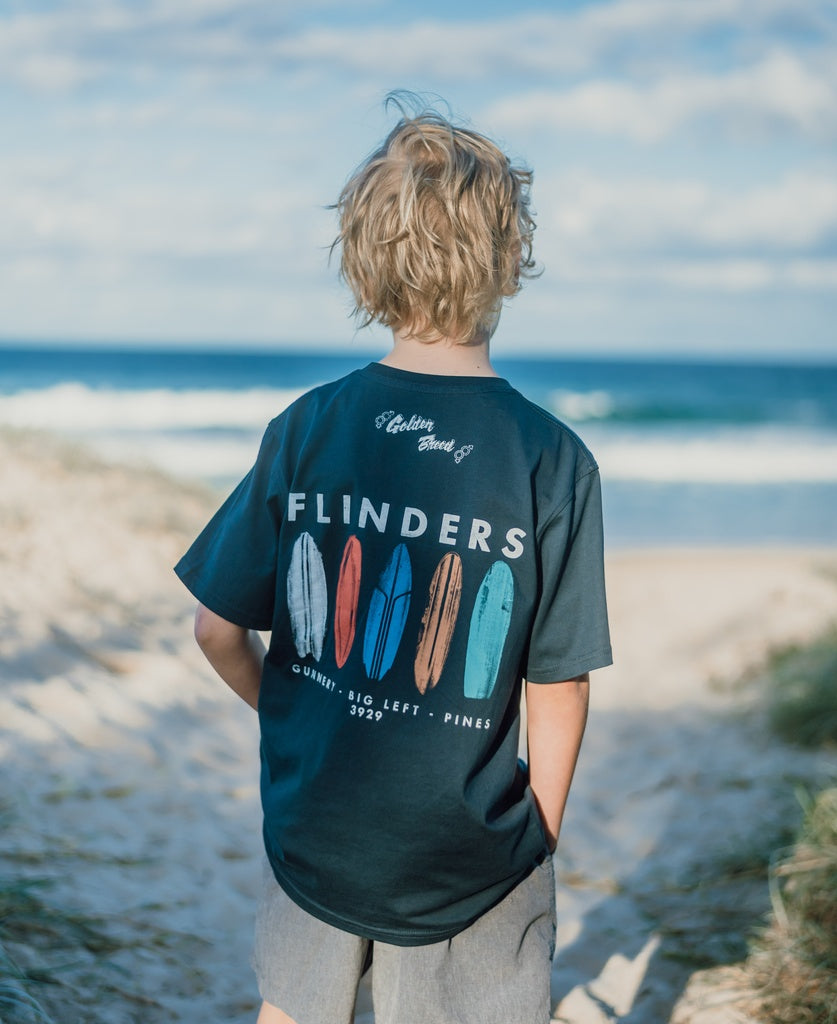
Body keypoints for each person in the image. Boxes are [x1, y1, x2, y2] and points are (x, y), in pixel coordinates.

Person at [175, 93, 612, 1024]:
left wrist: (290, 716)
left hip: (319, 819)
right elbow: (560, 684)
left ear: (367, 261)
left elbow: (218, 626)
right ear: (507, 257)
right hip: (469, 843)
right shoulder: (554, 461)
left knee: (291, 1009)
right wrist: (539, 835)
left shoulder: (307, 428)